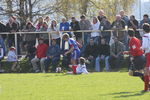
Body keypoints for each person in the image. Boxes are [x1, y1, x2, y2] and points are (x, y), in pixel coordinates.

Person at [141, 23, 150, 92]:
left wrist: (140, 48)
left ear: (143, 29)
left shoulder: (145, 36)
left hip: (148, 54)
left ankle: (146, 89)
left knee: (146, 72)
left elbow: (145, 46)